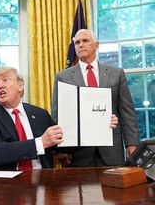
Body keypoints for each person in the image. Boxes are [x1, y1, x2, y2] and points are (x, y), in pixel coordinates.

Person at [0, 66, 118, 170]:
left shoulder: (40, 114)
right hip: (5, 185)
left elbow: (64, 142)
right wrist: (40, 143)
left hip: (44, 181)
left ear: (20, 86)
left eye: (5, 80)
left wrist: (99, 126)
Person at [51, 29, 140, 167]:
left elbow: (127, 112)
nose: (80, 45)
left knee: (113, 188)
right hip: (78, 152)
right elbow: (58, 115)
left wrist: (132, 143)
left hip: (112, 149)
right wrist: (61, 148)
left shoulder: (116, 74)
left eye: (85, 41)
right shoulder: (63, 77)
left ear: (96, 45)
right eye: (77, 42)